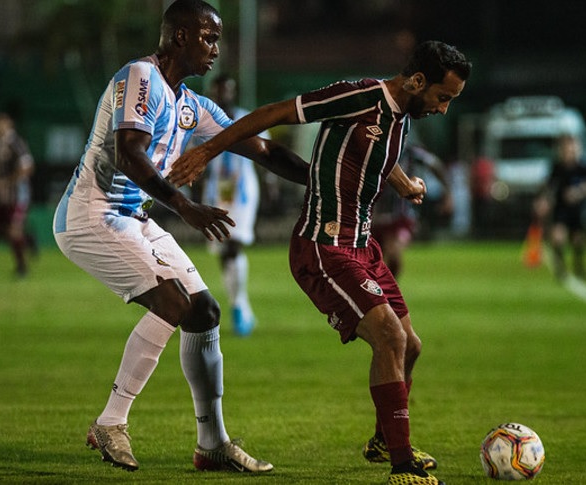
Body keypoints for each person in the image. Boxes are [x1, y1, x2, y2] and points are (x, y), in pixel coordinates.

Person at [170, 40, 472, 485]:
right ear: (417, 81)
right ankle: (402, 465)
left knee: (411, 345)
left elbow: (374, 156)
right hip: (322, 246)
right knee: (389, 335)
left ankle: (384, 440)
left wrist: (405, 184)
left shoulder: (402, 117)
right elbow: (274, 113)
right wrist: (205, 151)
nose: (444, 109)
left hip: (362, 247)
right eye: (443, 98)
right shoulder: (359, 97)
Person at [52, 0, 307, 473]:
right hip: (91, 215)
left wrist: (323, 181)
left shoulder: (191, 105)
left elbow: (264, 150)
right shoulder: (140, 77)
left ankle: (212, 445)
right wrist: (185, 206)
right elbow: (130, 154)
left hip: (132, 216)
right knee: (174, 304)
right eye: (209, 38)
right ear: (180, 37)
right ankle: (111, 421)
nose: (216, 49)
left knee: (204, 312)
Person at [202, 74, 263, 336]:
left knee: (233, 246)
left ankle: (239, 306)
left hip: (242, 191)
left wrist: (270, 184)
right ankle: (241, 305)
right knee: (223, 251)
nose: (222, 94)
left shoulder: (247, 119)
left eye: (226, 90)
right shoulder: (203, 121)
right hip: (216, 191)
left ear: (233, 91)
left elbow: (265, 152)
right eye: (218, 90)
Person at [371, 138, 453, 279]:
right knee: (374, 259)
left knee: (394, 250)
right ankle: (379, 289)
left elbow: (435, 165)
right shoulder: (374, 148)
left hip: (402, 215)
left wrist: (448, 194)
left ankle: (391, 287)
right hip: (375, 215)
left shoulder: (411, 151)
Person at [0, 112, 36, 278]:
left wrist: (7, 182)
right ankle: (28, 240)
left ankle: (22, 268)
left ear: (9, 124)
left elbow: (27, 167)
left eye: (1, 123)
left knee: (13, 231)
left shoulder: (15, 143)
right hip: (1, 197)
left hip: (17, 196)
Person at [533, 135, 586, 281]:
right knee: (558, 237)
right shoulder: (557, 168)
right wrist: (543, 201)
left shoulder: (581, 168)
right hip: (561, 209)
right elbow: (549, 187)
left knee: (578, 240)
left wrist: (578, 192)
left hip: (577, 210)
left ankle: (578, 267)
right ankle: (561, 269)